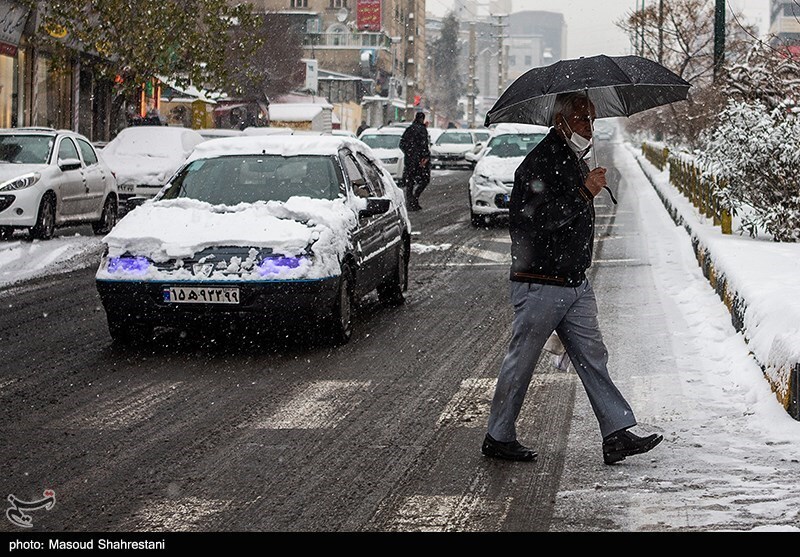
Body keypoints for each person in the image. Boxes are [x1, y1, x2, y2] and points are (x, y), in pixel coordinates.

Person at [481, 92, 663, 465]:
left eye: (592, 120)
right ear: (560, 121)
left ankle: (616, 432)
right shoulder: (541, 162)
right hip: (541, 281)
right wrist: (584, 192)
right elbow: (535, 219)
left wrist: (585, 188)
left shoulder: (572, 159)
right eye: (582, 119)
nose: (589, 128)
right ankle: (498, 436)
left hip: (572, 281)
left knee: (593, 357)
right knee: (522, 360)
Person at [399, 112, 431, 211]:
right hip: (420, 161)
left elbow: (402, 144)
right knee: (425, 180)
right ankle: (414, 199)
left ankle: (410, 202)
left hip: (410, 161)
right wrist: (425, 157)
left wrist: (409, 153)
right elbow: (424, 145)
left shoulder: (409, 130)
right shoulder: (422, 130)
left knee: (410, 182)